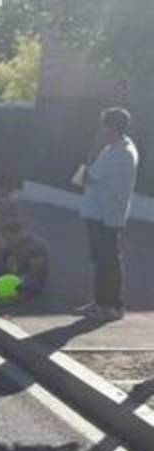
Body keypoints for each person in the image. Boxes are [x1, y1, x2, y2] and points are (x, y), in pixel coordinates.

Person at [78, 107, 140, 322]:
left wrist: (94, 148)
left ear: (111, 127)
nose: (100, 129)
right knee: (103, 260)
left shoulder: (118, 152)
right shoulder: (118, 147)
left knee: (108, 261)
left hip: (104, 215)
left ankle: (111, 306)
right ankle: (101, 303)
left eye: (103, 124)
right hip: (101, 213)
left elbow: (87, 175)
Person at [0, 220, 50, 298]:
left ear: (18, 234)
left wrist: (15, 278)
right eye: (5, 238)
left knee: (28, 284)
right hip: (17, 274)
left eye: (8, 238)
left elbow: (35, 273)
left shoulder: (35, 247)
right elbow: (1, 257)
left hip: (30, 279)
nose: (7, 241)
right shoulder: (11, 244)